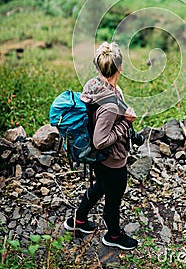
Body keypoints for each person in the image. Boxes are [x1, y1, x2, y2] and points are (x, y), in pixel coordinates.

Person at [64, 42, 138, 250]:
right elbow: (100, 140)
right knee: (113, 198)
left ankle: (78, 221)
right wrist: (126, 123)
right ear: (120, 67)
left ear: (99, 68)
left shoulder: (93, 85)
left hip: (98, 158)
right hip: (110, 158)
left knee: (101, 187)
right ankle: (113, 236)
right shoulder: (110, 104)